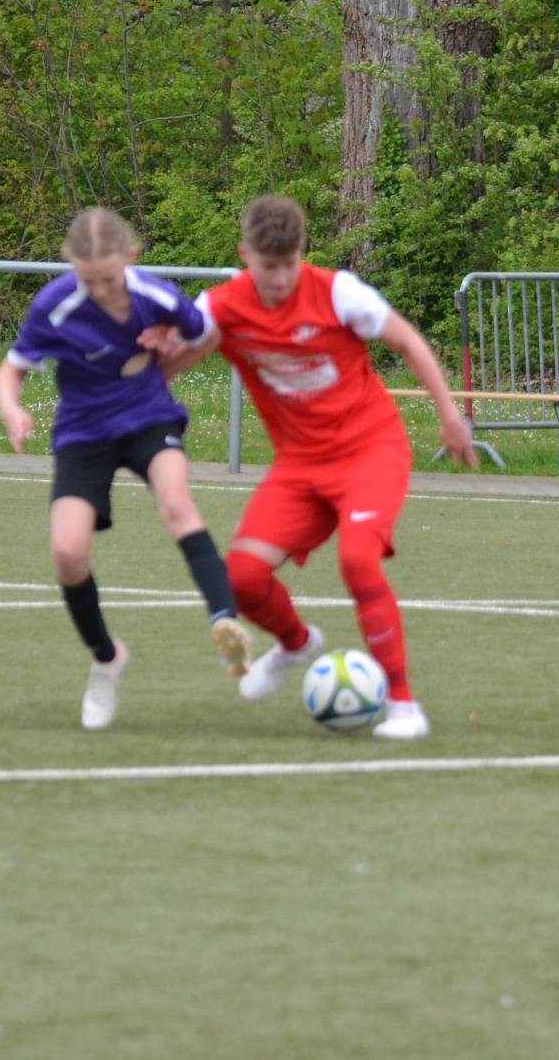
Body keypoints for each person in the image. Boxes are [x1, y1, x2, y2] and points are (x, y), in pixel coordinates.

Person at [156, 194, 476, 741]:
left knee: (358, 561)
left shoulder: (338, 293)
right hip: (300, 467)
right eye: (267, 266)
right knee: (243, 578)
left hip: (370, 451)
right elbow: (168, 368)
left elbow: (409, 343)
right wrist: (151, 357)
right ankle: (297, 643)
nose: (279, 278)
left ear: (302, 252)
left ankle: (403, 706)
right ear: (244, 255)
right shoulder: (221, 308)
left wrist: (450, 415)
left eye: (288, 264)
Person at [0, 207, 252, 731]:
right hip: (83, 431)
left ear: (130, 259)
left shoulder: (156, 296)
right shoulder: (56, 305)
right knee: (67, 552)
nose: (99, 290)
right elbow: (13, 367)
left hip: (147, 416)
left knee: (176, 503)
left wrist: (169, 361)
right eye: (87, 280)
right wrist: (11, 407)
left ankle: (226, 621)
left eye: (108, 279)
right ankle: (106, 658)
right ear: (71, 267)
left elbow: (207, 331)